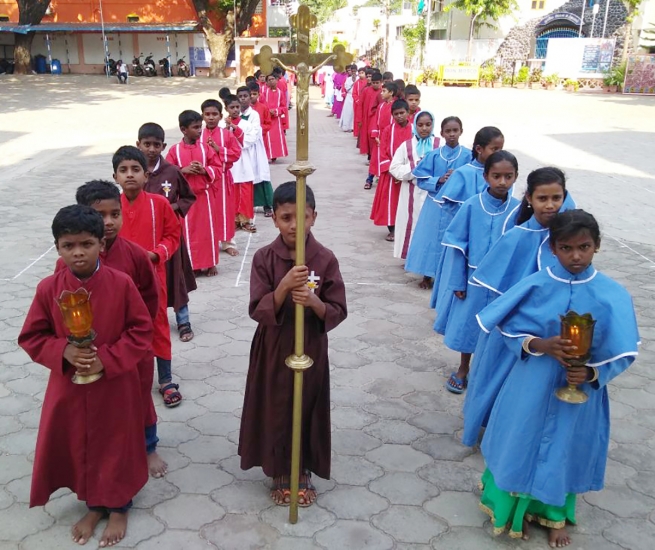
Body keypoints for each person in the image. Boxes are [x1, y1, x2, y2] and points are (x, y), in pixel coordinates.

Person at [476, 209, 639, 547]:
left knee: (565, 447)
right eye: (566, 248)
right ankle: (506, 507)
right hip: (532, 382)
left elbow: (623, 351)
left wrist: (593, 371)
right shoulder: (535, 284)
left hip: (580, 390)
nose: (576, 255)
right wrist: (539, 344)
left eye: (584, 246)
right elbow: (505, 329)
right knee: (519, 440)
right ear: (552, 248)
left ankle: (555, 516)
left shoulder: (611, 293)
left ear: (597, 246)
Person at [19, 205, 152, 547]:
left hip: (114, 383)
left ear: (101, 245)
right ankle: (94, 504)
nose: (78, 253)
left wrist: (105, 359)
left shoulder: (120, 284)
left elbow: (141, 330)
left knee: (116, 443)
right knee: (82, 443)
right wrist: (63, 350)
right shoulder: (48, 289)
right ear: (57, 248)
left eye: (86, 244)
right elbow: (32, 336)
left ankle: (120, 506)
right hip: (69, 386)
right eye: (68, 245)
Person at [238, 182, 348, 507]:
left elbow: (338, 309)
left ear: (314, 216)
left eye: (302, 217)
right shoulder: (264, 257)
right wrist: (283, 287)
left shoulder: (325, 259)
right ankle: (279, 470)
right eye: (286, 217)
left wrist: (315, 303)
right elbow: (256, 308)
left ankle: (302, 468)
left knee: (307, 404)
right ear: (273, 218)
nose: (294, 225)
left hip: (310, 346)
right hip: (273, 345)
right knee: (275, 405)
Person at [462, 167, 575, 440]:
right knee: (497, 379)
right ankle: (489, 430)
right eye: (542, 198)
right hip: (513, 329)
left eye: (556, 198)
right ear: (528, 198)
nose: (550, 205)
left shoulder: (570, 241)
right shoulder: (515, 236)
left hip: (554, 329)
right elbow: (494, 290)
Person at [71, 179, 167, 479]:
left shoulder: (136, 255)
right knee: (98, 400)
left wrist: (135, 337)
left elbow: (151, 299)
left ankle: (148, 446)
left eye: (115, 214)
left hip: (132, 347)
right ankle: (105, 447)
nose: (109, 222)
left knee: (139, 396)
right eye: (100, 215)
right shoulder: (72, 261)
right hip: (91, 350)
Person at [433, 151, 520, 394]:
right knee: (469, 327)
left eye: (508, 176)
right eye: (496, 176)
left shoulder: (519, 210)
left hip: (504, 283)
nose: (502, 182)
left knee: (499, 328)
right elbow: (458, 246)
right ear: (486, 176)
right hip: (473, 281)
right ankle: (463, 368)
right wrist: (458, 282)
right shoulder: (472, 205)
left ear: (516, 177)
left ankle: (492, 373)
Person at [114, 146, 183, 408]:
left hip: (153, 277)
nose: (129, 175)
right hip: (117, 282)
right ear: (115, 176)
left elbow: (172, 235)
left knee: (158, 325)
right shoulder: (111, 207)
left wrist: (156, 255)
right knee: (119, 326)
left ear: (146, 175)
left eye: (135, 169)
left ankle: (165, 380)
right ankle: (125, 376)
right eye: (123, 170)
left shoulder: (160, 204)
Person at [137, 122, 198, 342]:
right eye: (147, 144)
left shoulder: (171, 172)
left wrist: (171, 208)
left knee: (176, 278)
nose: (151, 149)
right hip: (144, 238)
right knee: (145, 280)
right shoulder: (136, 172)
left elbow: (189, 197)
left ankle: (183, 320)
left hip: (170, 237)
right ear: (139, 145)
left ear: (163, 146)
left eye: (156, 145)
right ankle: (144, 320)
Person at [404, 117, 470, 288]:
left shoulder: (468, 156)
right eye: (448, 131)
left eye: (455, 130)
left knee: (453, 240)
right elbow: (421, 180)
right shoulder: (433, 156)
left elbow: (474, 178)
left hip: (457, 206)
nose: (452, 134)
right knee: (429, 239)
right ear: (441, 133)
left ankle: (450, 276)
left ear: (461, 131)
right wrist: (439, 180)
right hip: (434, 204)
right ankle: (427, 275)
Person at [165, 110, 224, 276]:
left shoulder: (206, 149)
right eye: (195, 127)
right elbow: (167, 171)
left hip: (204, 198)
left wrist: (205, 170)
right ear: (184, 129)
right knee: (186, 233)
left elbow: (218, 169)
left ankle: (211, 263)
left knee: (209, 231)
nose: (200, 131)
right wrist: (183, 170)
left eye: (201, 127)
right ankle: (189, 265)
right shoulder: (174, 150)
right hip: (184, 200)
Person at [390, 110, 439, 260]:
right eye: (420, 125)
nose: (424, 128)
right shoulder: (406, 146)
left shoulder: (439, 144)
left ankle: (427, 259)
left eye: (428, 125)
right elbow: (394, 169)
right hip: (411, 192)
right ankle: (410, 256)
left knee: (431, 227)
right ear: (415, 126)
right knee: (411, 224)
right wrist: (415, 167)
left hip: (434, 193)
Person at [199, 99, 243, 255]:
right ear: (202, 116)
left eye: (214, 114)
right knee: (205, 211)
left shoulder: (227, 135)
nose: (211, 118)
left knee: (224, 210)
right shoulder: (198, 134)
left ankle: (227, 242)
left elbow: (237, 153)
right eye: (207, 114)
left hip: (223, 179)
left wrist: (219, 149)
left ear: (221, 115)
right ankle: (206, 242)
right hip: (204, 180)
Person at [370, 98, 413, 241]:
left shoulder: (414, 130)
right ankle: (392, 229)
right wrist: (393, 172)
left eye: (402, 113)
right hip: (391, 174)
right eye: (396, 114)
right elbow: (383, 152)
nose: (399, 116)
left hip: (410, 172)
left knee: (408, 202)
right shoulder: (388, 130)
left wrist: (408, 170)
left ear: (408, 113)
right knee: (390, 202)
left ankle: (408, 229)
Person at [222, 94, 258, 233]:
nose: (235, 110)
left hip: (243, 160)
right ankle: (234, 220)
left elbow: (250, 141)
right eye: (232, 107)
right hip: (229, 162)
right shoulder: (221, 125)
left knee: (245, 191)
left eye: (237, 107)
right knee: (232, 191)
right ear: (226, 109)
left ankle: (246, 220)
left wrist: (235, 129)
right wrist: (226, 130)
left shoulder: (246, 124)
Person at [237, 85, 273, 219]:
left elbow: (254, 132)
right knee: (244, 177)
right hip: (240, 150)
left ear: (250, 97)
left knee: (260, 175)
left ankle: (267, 205)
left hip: (254, 148)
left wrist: (240, 138)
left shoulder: (254, 114)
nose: (243, 99)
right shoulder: (236, 114)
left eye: (246, 96)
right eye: (240, 97)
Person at [248, 81, 275, 216]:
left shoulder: (262, 108)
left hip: (258, 144)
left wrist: (257, 131)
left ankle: (267, 205)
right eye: (249, 95)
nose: (251, 97)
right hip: (244, 148)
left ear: (258, 94)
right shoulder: (238, 111)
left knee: (261, 173)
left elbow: (267, 124)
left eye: (254, 94)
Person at [368, 81, 399, 191]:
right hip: (379, 138)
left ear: (391, 93)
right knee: (375, 160)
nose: (381, 93)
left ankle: (384, 179)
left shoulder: (395, 107)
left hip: (389, 139)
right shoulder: (381, 106)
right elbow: (376, 121)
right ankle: (370, 178)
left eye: (384, 91)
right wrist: (376, 135)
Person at [361, 72, 383, 186]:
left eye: (377, 83)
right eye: (373, 83)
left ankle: (376, 176)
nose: (375, 85)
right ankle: (370, 178)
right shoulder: (366, 91)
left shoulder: (382, 93)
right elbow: (361, 104)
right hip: (369, 122)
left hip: (379, 127)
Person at [263, 73, 289, 163]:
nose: (271, 81)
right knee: (266, 137)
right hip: (266, 119)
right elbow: (261, 105)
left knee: (275, 138)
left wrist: (276, 111)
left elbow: (283, 107)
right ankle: (266, 155)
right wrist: (267, 111)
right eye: (269, 80)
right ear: (267, 82)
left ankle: (274, 156)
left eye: (273, 79)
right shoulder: (264, 93)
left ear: (277, 80)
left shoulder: (280, 93)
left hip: (276, 119)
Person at [338, 65, 356, 132]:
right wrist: (353, 83)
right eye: (352, 71)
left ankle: (353, 127)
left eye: (355, 71)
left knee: (353, 113)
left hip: (355, 97)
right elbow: (346, 88)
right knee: (347, 112)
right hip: (349, 96)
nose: (353, 73)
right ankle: (346, 126)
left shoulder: (358, 79)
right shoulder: (348, 79)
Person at [352, 67, 368, 140]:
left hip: (365, 103)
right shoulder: (356, 83)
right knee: (357, 118)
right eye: (360, 73)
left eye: (362, 73)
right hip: (357, 104)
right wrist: (358, 101)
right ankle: (357, 133)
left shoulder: (367, 82)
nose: (361, 75)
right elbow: (354, 93)